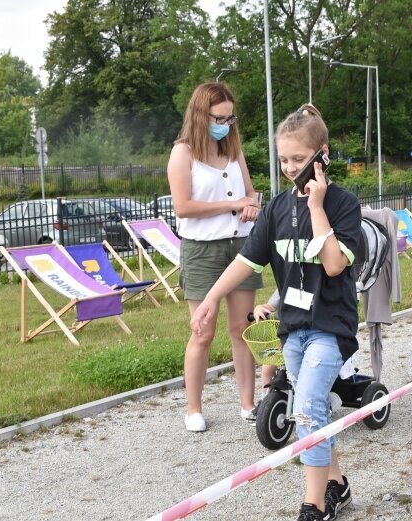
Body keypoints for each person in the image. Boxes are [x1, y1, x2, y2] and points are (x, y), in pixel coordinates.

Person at [191, 104, 360, 521]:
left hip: (330, 329)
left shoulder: (342, 205)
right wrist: (211, 298)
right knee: (312, 411)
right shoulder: (276, 210)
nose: (289, 168)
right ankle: (336, 483)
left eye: (299, 159)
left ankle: (314, 505)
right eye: (283, 159)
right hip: (294, 330)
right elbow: (247, 262)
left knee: (305, 408)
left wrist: (316, 207)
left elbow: (335, 264)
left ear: (323, 154)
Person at [167, 82, 263, 433]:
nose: (226, 123)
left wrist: (250, 205)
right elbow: (183, 207)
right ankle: (194, 408)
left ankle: (248, 404)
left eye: (230, 117)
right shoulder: (183, 153)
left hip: (241, 247)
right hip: (202, 250)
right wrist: (233, 204)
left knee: (242, 328)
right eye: (219, 117)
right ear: (200, 114)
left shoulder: (233, 148)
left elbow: (250, 194)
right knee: (203, 331)